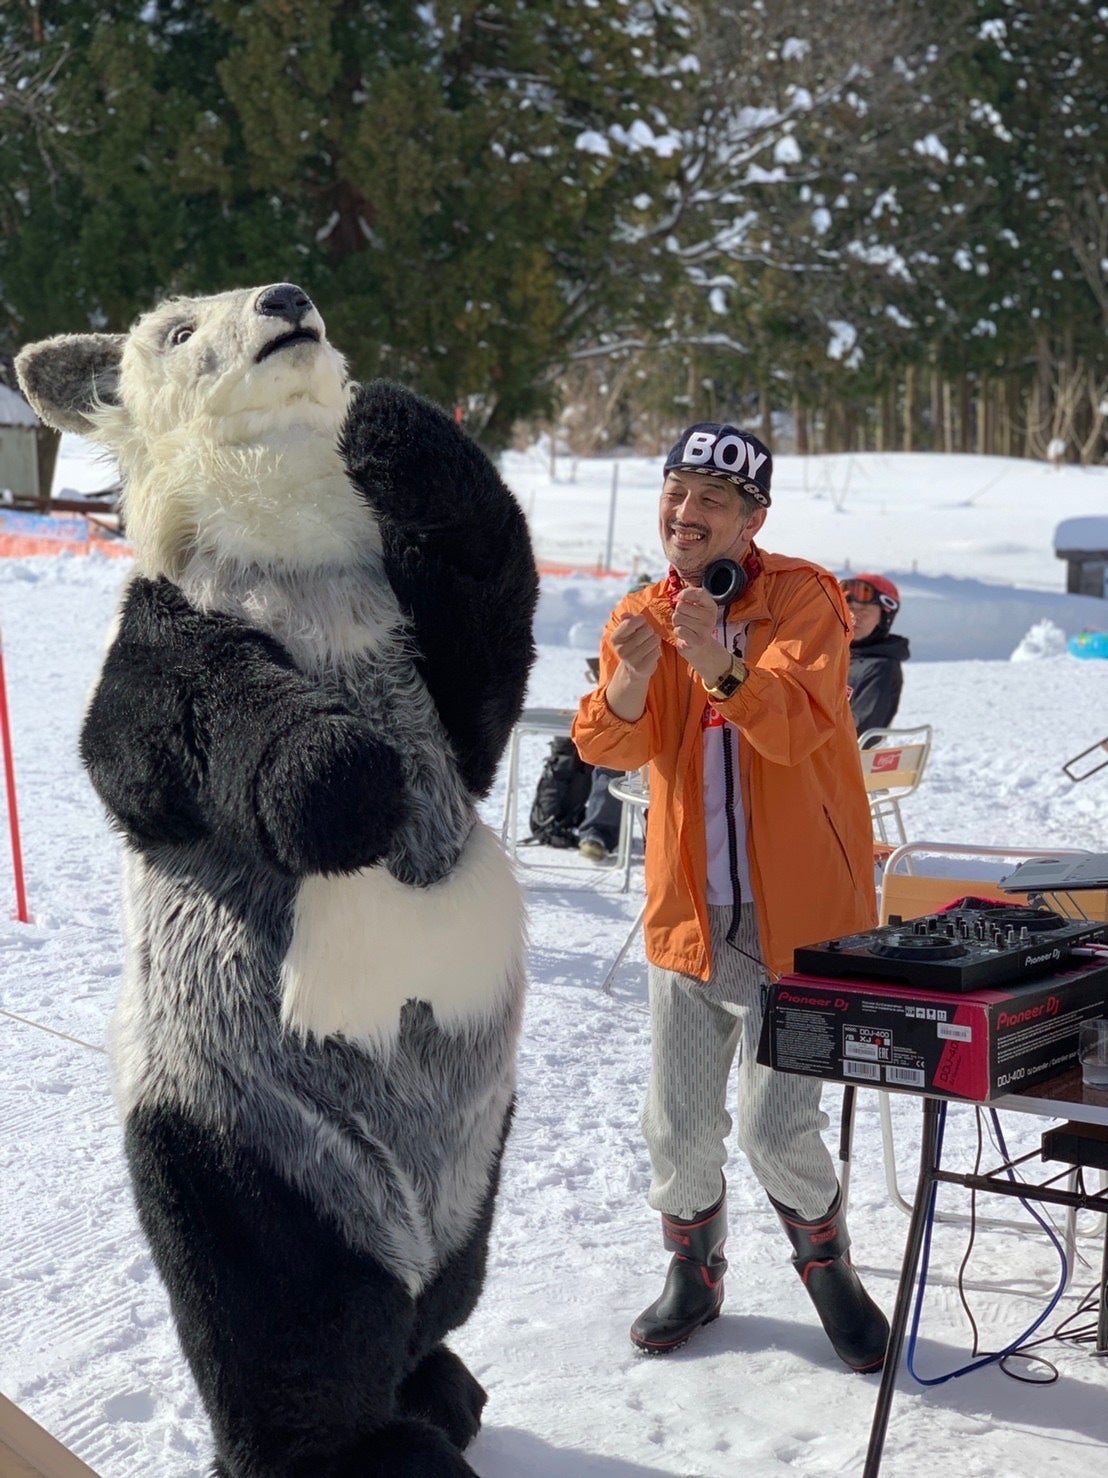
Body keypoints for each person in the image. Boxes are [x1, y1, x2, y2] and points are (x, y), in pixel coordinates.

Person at [572, 422, 889, 1371]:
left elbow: (792, 726)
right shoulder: (643, 610)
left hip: (801, 921)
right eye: (676, 492)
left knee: (775, 1127)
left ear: (752, 520)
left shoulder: (805, 598)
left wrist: (713, 657)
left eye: (711, 499)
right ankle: (695, 1271)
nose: (686, 512)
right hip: (690, 914)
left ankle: (828, 1269)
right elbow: (607, 747)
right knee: (675, 1126)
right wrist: (633, 675)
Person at [841, 573, 910, 742]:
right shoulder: (834, 655)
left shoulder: (880, 669)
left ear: (883, 619)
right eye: (849, 610)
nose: (853, 617)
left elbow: (862, 734)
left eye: (863, 611)